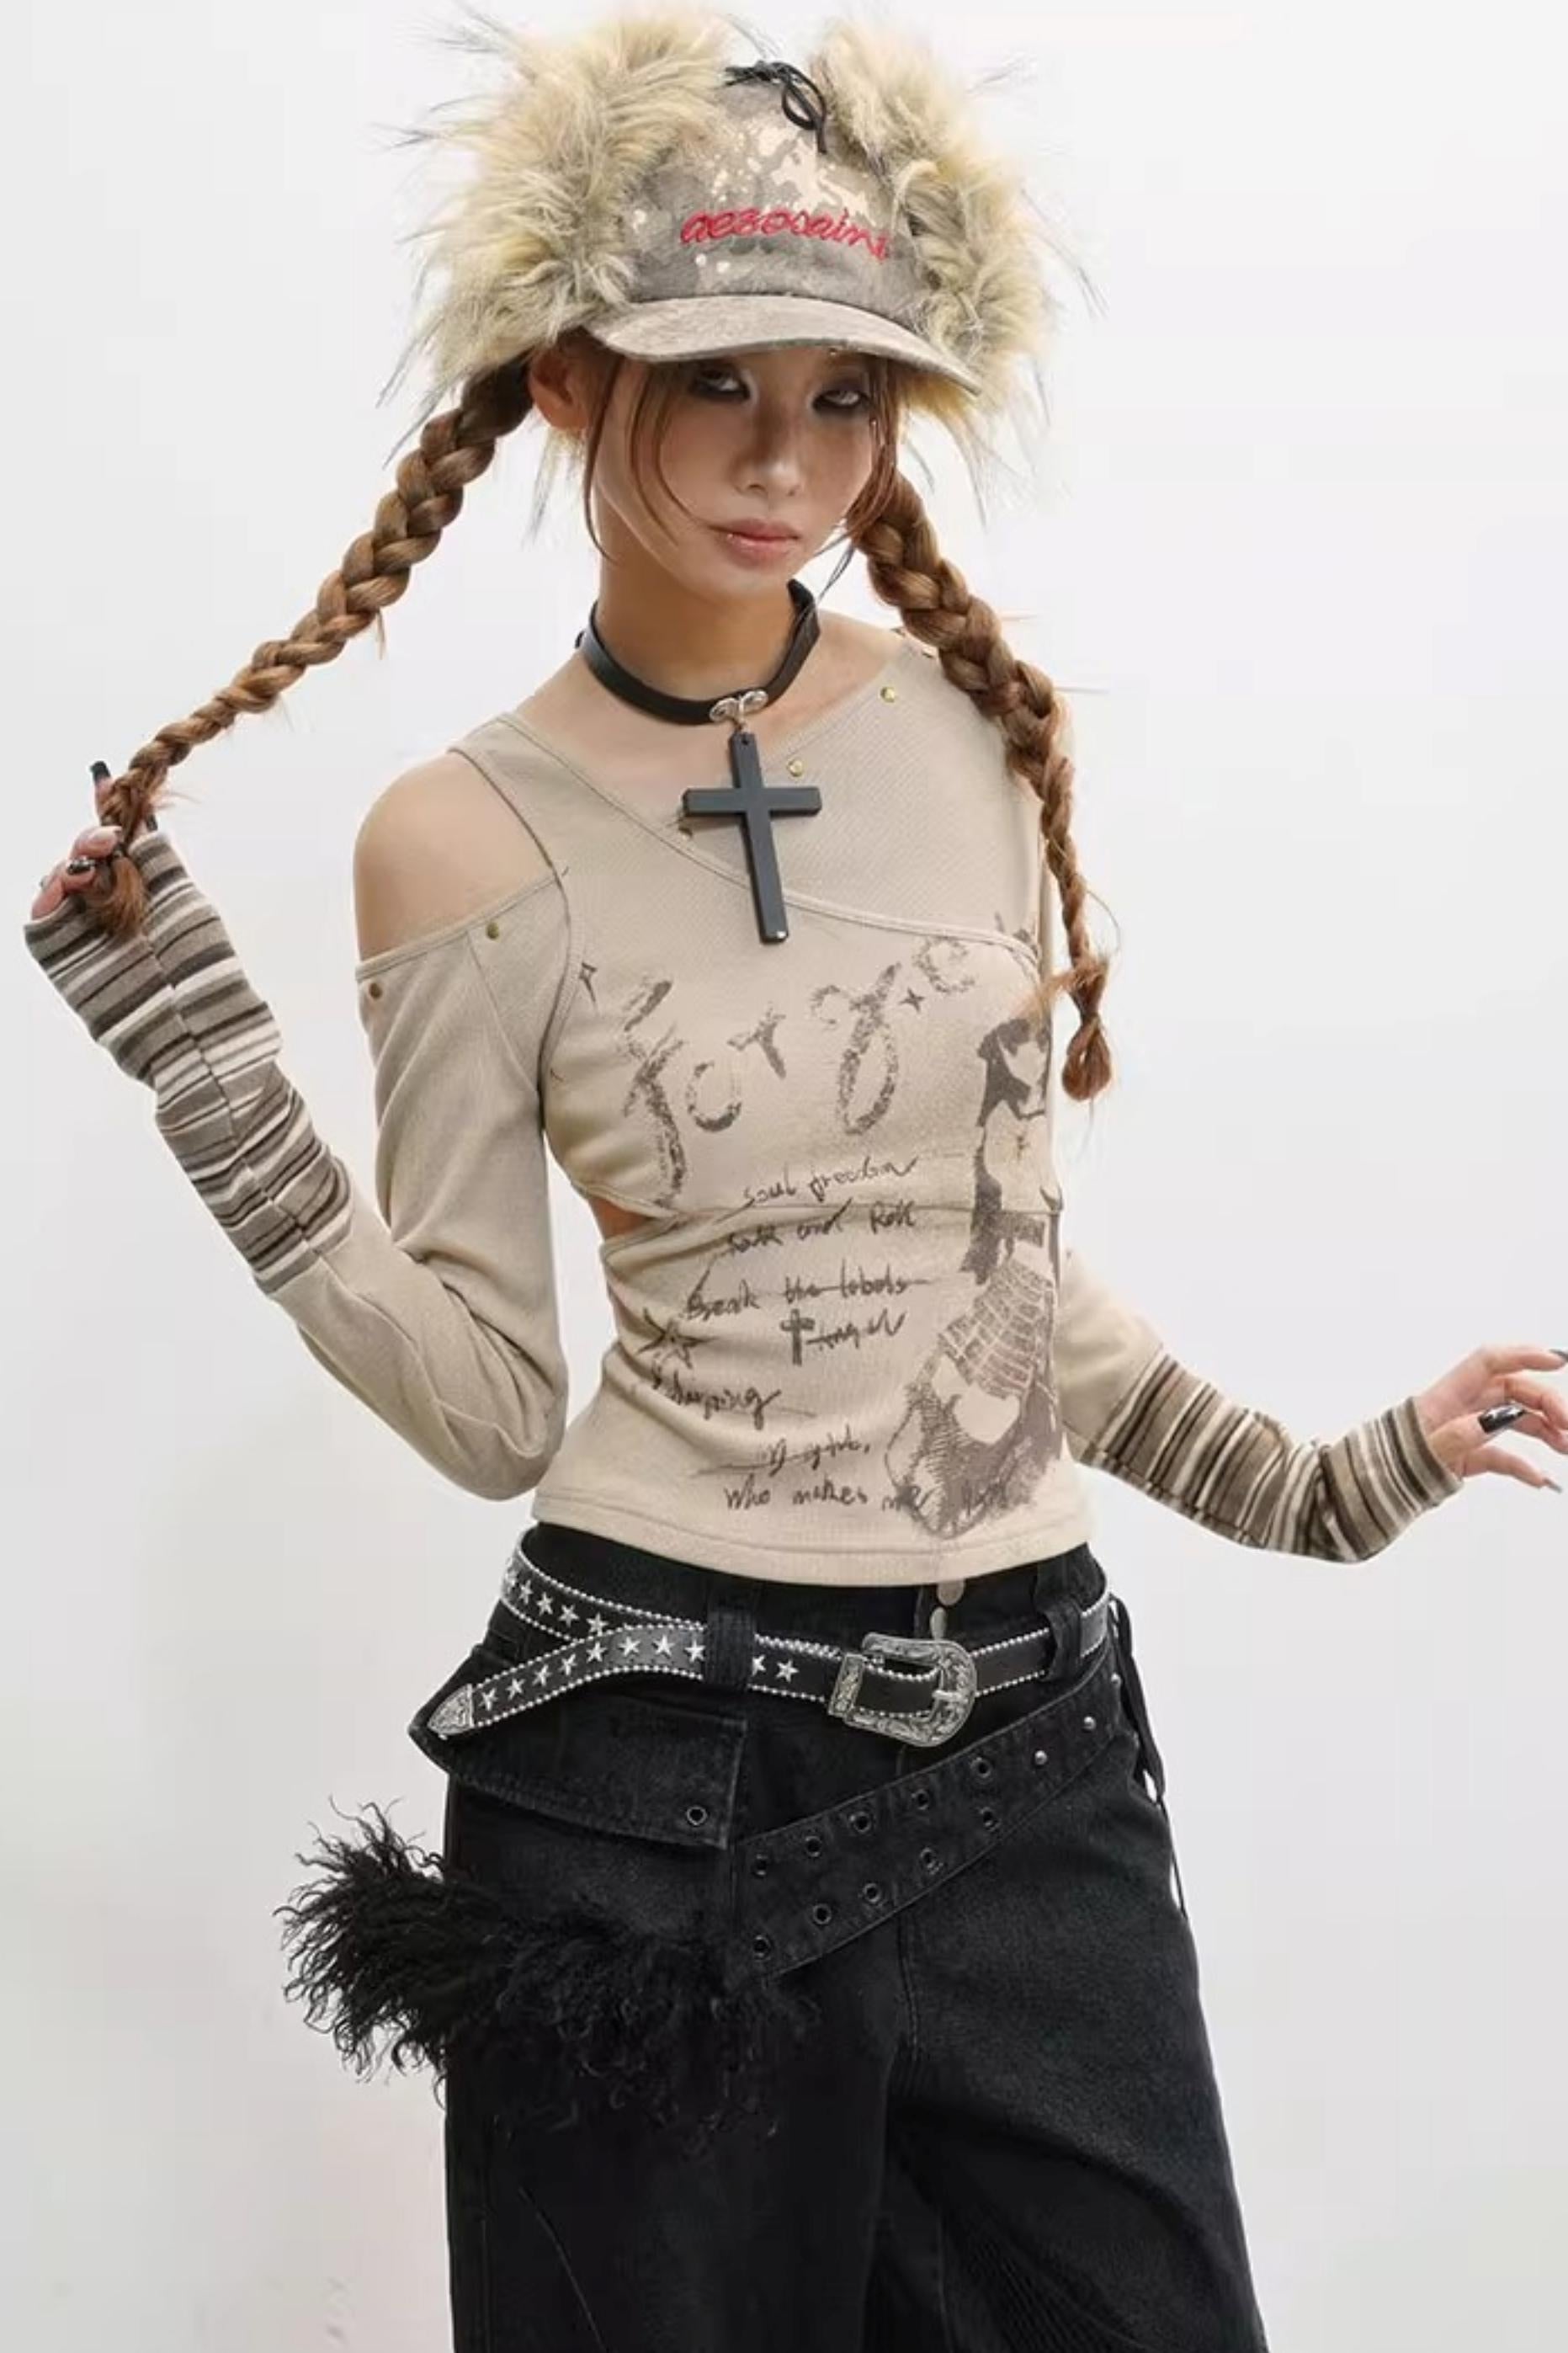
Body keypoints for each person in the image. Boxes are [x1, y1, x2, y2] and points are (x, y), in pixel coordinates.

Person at [24, 9, 1567, 2349]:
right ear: (568, 382)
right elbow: (488, 1403)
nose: (785, 461)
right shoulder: (458, 838)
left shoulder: (974, 737)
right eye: (716, 383)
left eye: (843, 397)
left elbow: (992, 1271)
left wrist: (1320, 1479)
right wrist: (206, 1069)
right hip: (655, 1782)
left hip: (1037, 1754)